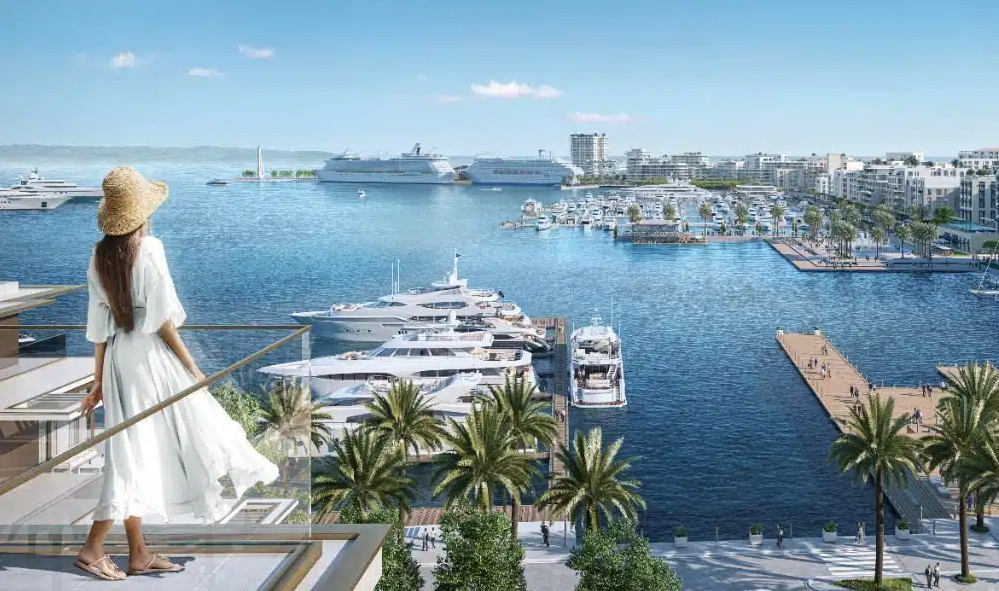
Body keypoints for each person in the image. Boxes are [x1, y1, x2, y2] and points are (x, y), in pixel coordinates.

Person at [74, 168, 278, 581]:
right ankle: (93, 548)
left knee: (133, 447)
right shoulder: (149, 248)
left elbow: (99, 330)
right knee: (140, 449)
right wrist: (190, 365)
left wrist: (98, 382)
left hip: (117, 360)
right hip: (149, 359)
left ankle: (138, 553)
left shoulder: (99, 257)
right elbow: (163, 320)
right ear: (143, 211)